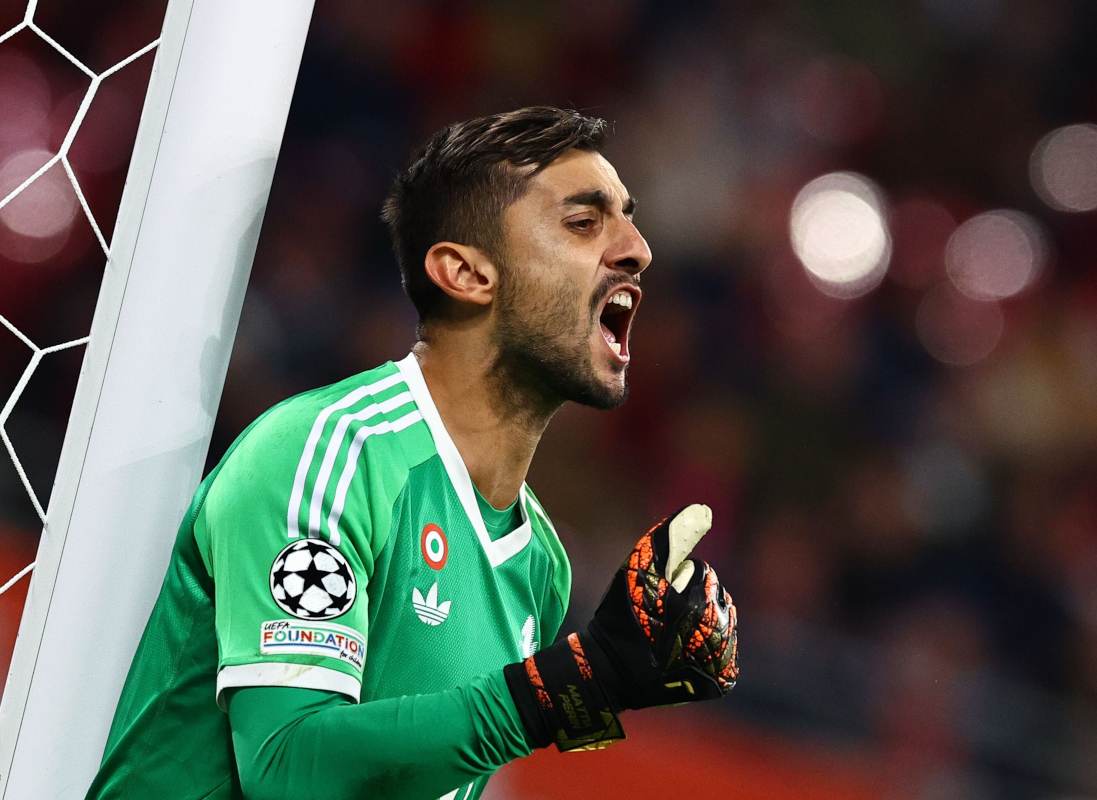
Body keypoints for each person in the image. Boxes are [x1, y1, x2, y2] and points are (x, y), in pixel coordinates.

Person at [87, 106, 738, 800]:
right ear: (465, 273)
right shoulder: (331, 453)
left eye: (629, 220)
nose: (637, 248)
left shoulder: (541, 564)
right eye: (584, 222)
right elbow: (287, 769)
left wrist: (584, 687)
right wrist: (568, 686)